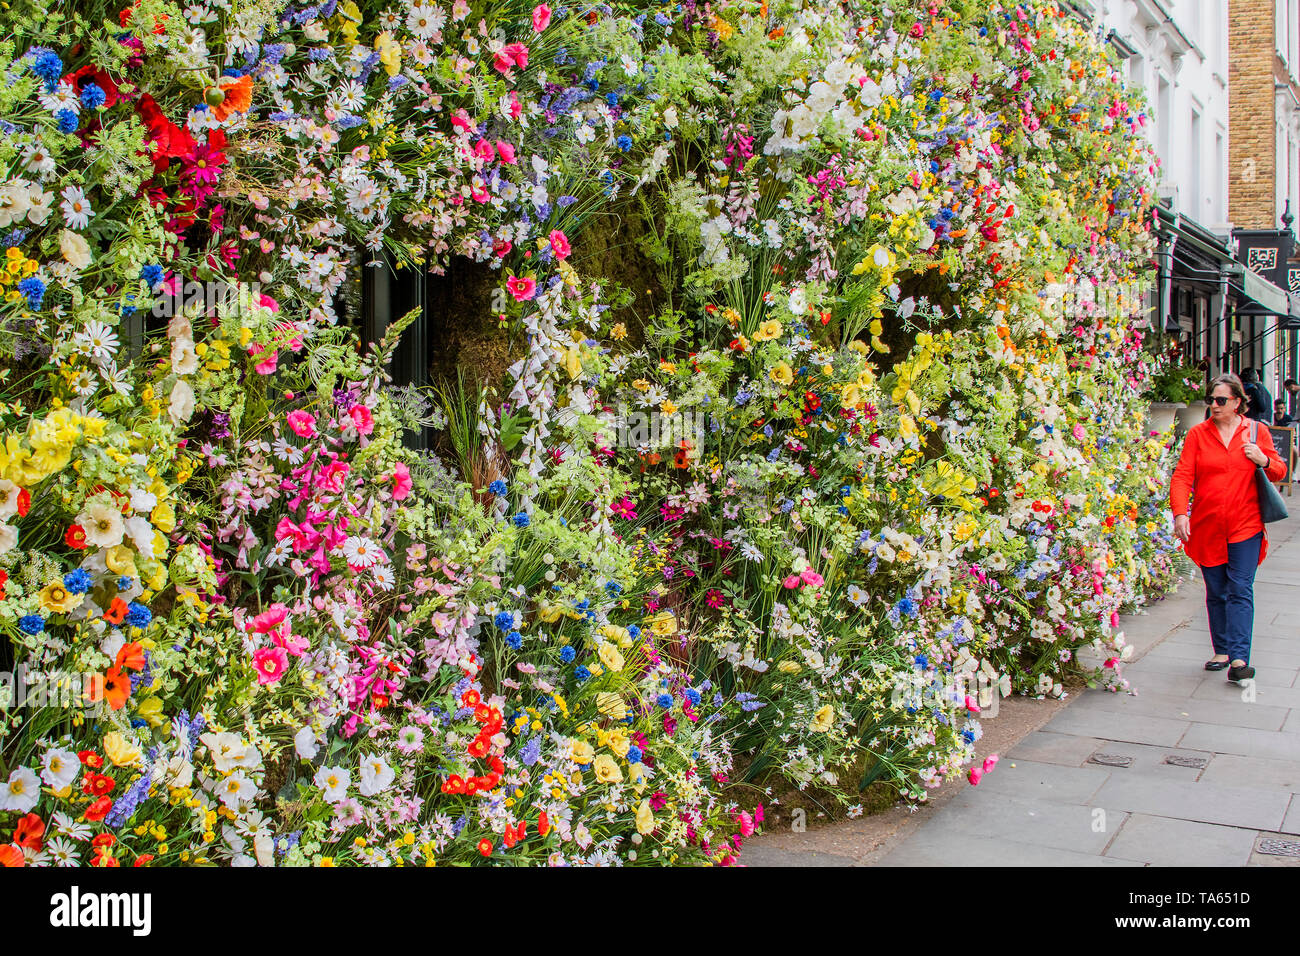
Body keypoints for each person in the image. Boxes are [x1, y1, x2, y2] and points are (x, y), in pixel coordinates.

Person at [1171, 374, 1287, 683]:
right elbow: (1183, 475)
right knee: (1217, 591)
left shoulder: (1256, 431)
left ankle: (1238, 659)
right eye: (1210, 399)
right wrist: (1180, 514)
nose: (1214, 405)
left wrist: (1263, 459)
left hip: (1245, 525)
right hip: (1208, 525)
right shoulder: (1198, 434)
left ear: (1237, 403)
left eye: (1221, 400)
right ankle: (1221, 649)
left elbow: (1280, 470)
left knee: (1240, 589)